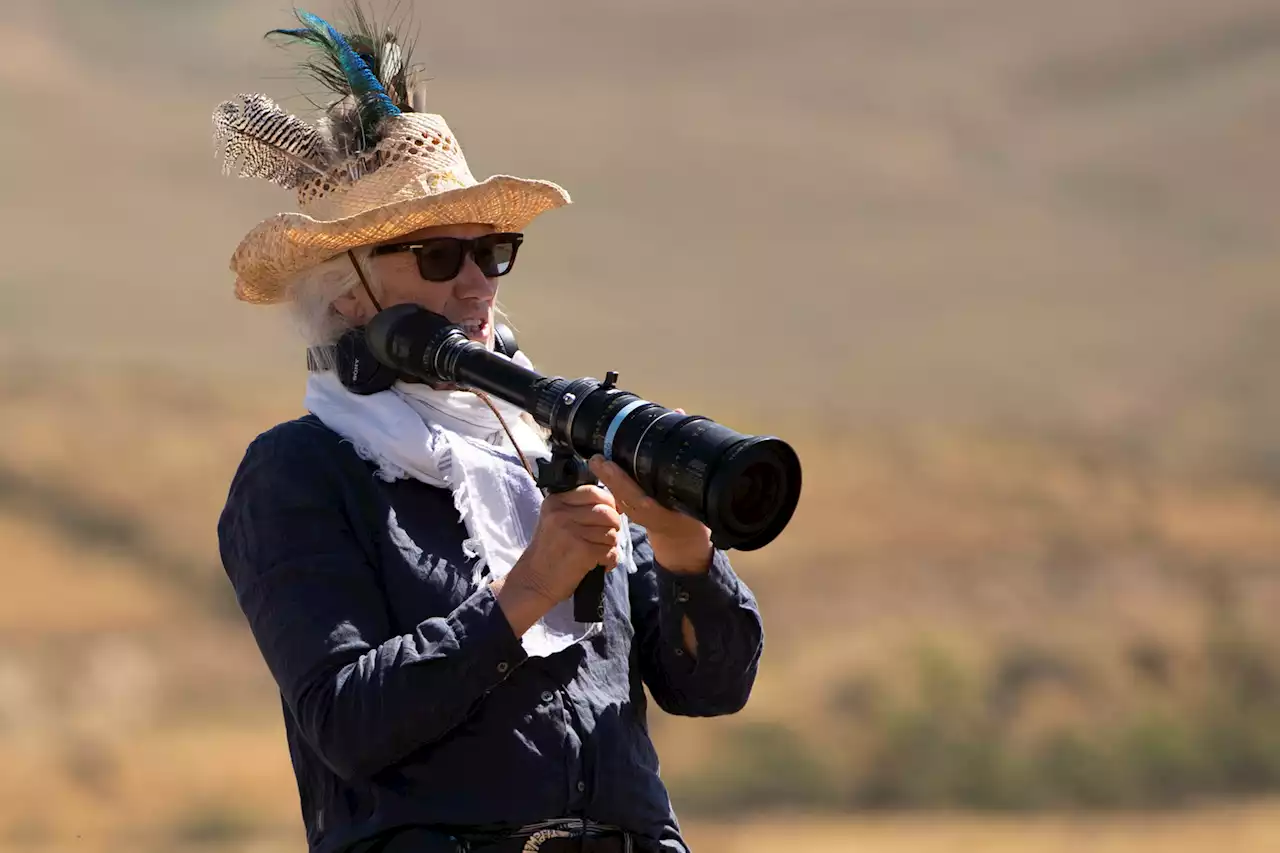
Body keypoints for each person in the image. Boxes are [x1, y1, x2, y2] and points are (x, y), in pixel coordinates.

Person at [213, 9, 763, 853]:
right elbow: (346, 720)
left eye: (493, 252)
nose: (477, 285)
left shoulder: (559, 439)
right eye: (438, 257)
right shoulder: (299, 473)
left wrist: (687, 550)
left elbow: (710, 686)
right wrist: (527, 591)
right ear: (347, 292)